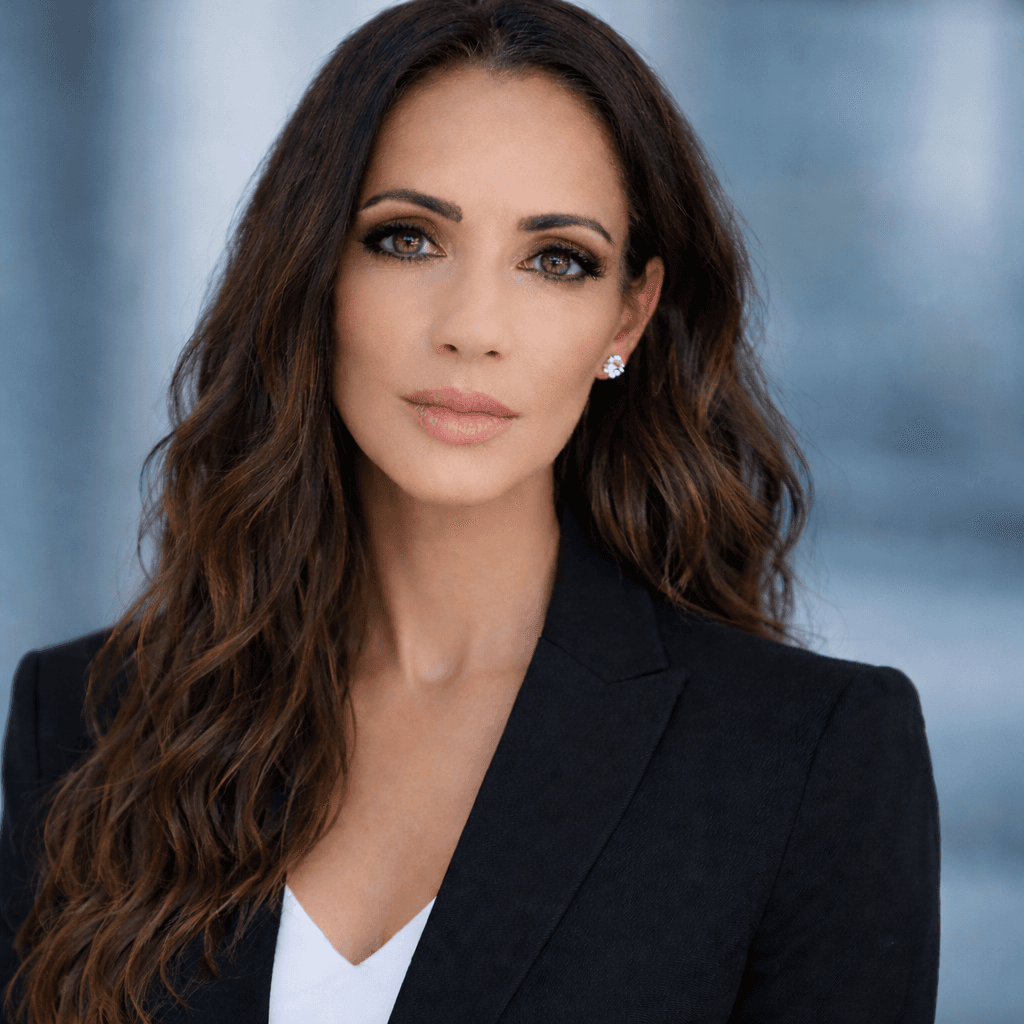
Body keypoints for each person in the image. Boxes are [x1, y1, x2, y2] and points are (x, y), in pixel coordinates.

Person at [0, 0, 940, 1021]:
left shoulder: (808, 755)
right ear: (316, 271)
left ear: (628, 313)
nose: (472, 328)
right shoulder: (85, 719)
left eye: (557, 260)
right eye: (406, 239)